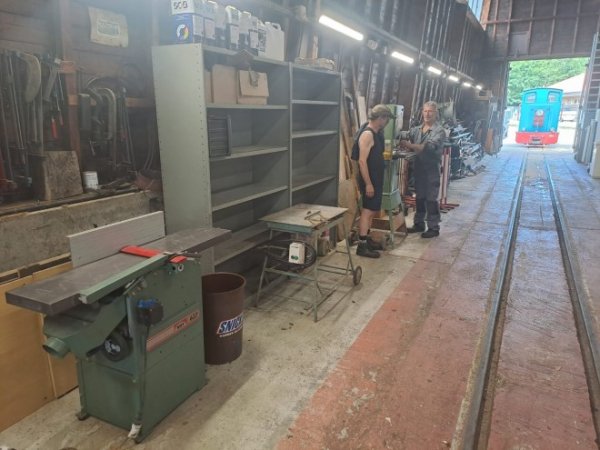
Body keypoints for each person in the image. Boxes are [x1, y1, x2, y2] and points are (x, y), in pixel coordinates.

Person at [399, 101, 446, 238]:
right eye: (425, 111)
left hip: (432, 170)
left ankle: (433, 227)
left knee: (431, 199)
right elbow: (404, 134)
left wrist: (409, 145)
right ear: (422, 112)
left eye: (430, 111)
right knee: (419, 198)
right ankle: (419, 224)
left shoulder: (439, 131)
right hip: (419, 169)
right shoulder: (417, 130)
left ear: (435, 113)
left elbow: (426, 147)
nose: (427, 114)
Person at [355, 104, 395, 258]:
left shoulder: (376, 133)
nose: (387, 122)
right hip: (369, 179)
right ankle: (362, 246)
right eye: (386, 119)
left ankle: (367, 240)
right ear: (381, 118)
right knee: (367, 211)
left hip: (375, 178)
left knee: (371, 210)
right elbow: (362, 161)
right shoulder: (367, 134)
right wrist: (368, 184)